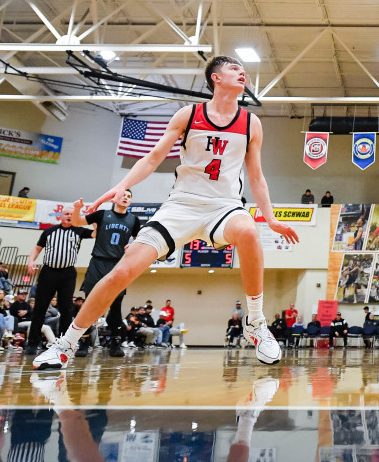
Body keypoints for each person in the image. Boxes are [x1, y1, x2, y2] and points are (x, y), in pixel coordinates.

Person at [34, 56, 300, 370]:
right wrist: (118, 186)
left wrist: (269, 217)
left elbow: (255, 176)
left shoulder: (251, 123)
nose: (242, 72)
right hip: (181, 206)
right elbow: (153, 157)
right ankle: (65, 345)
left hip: (224, 206)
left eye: (243, 70)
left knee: (249, 232)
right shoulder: (188, 115)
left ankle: (255, 322)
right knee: (121, 273)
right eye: (233, 68)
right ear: (215, 78)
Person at [69, 189, 141, 356]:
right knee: (89, 304)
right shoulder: (102, 215)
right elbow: (76, 223)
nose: (126, 198)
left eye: (129, 196)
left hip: (118, 265)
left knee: (116, 307)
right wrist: (77, 209)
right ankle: (84, 342)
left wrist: (134, 246)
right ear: (115, 198)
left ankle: (115, 344)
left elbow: (139, 240)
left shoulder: (133, 220)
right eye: (123, 195)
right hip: (98, 262)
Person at [24, 212, 91, 354]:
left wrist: (91, 219)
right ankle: (32, 344)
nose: (69, 215)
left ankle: (64, 343)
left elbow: (96, 233)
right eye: (66, 213)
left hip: (68, 274)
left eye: (71, 214)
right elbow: (37, 248)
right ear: (60, 217)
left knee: (66, 309)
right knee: (40, 308)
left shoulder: (79, 231)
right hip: (48, 272)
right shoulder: (49, 231)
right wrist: (31, 261)